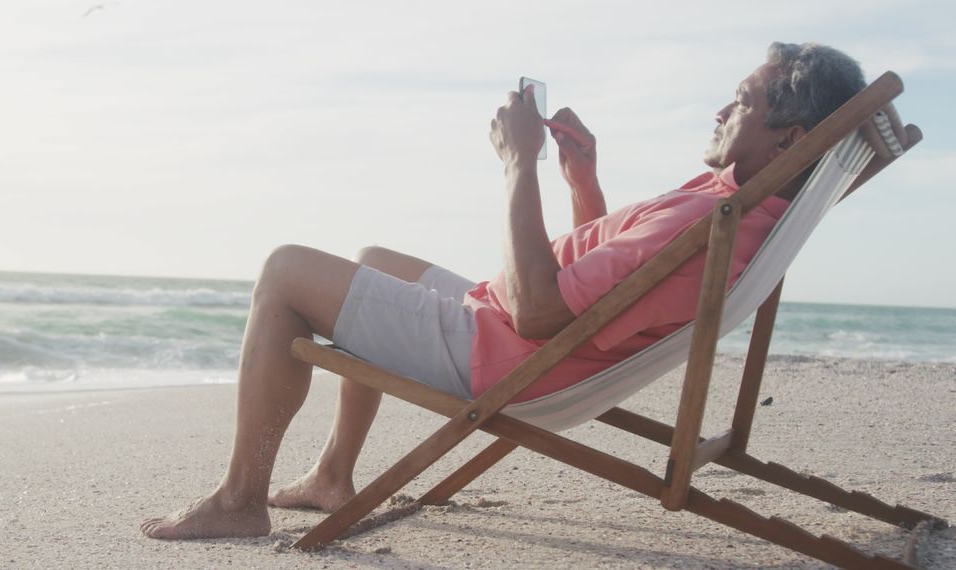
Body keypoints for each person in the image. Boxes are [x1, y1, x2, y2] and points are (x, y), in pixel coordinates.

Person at [140, 42, 906, 540]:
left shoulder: (711, 217)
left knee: (284, 271)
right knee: (373, 257)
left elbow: (544, 313)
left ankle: (242, 497)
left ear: (791, 140)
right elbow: (608, 292)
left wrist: (520, 165)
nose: (720, 109)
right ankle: (335, 474)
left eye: (744, 99)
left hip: (501, 357)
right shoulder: (737, 211)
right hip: (511, 332)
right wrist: (582, 179)